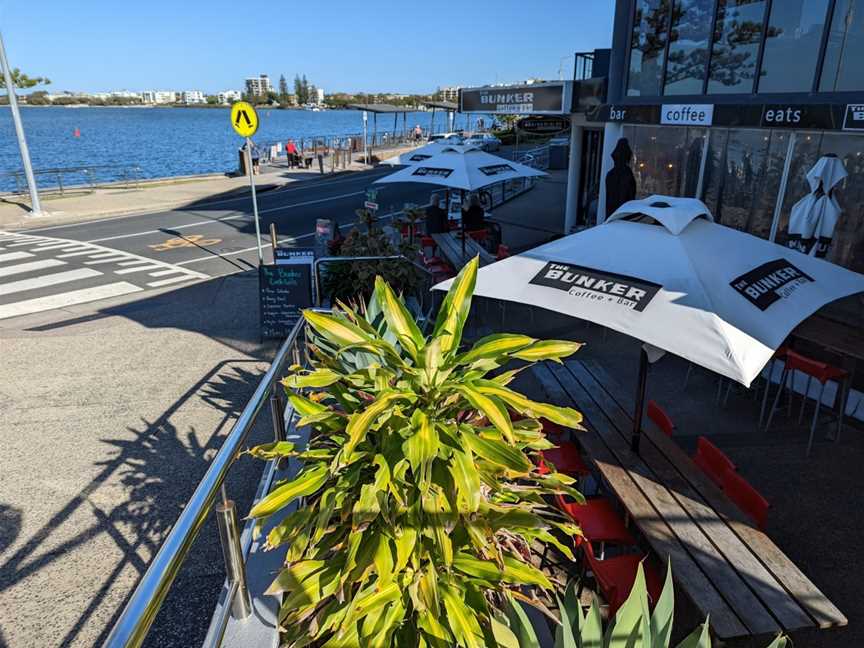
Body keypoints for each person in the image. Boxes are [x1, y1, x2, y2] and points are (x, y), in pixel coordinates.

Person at [605, 138, 637, 217]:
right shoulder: (627, 174)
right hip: (623, 215)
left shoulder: (610, 174)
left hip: (611, 215)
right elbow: (630, 196)